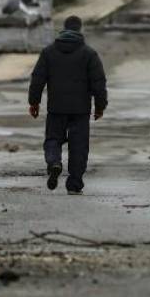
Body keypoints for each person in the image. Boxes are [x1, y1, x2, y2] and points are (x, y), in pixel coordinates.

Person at [28, 15, 108, 195]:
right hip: (80, 110)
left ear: (63, 29)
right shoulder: (89, 54)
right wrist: (100, 106)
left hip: (56, 108)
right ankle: (74, 183)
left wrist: (34, 102)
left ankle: (54, 162)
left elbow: (37, 80)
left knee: (53, 139)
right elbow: (98, 83)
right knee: (79, 146)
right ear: (80, 30)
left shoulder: (48, 52)